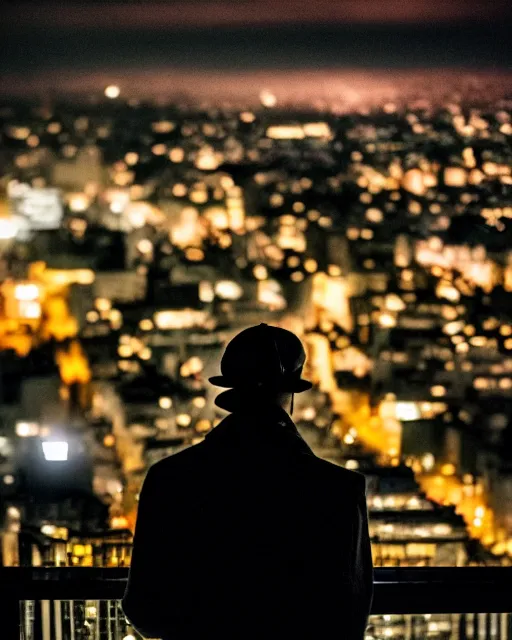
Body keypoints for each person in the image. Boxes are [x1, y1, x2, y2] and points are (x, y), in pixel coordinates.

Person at [122, 323, 373, 639]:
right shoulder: (338, 490)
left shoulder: (169, 480)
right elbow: (349, 618)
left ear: (229, 389)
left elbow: (144, 610)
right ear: (293, 389)